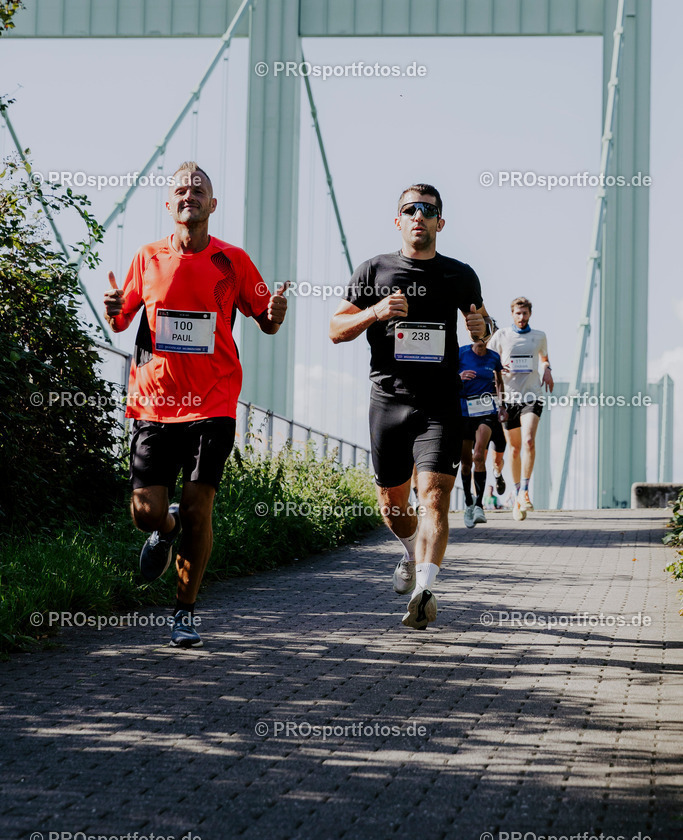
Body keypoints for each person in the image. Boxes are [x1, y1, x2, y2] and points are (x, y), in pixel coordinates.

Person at [103, 162, 288, 648]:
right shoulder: (147, 257)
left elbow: (267, 321)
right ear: (170, 205)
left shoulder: (234, 260)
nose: (190, 195)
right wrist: (112, 308)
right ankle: (164, 530)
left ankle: (183, 614)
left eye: (199, 190)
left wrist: (275, 312)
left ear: (212, 204)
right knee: (146, 511)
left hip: (214, 402)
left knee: (198, 507)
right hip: (154, 401)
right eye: (182, 190)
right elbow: (121, 320)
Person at [329, 184, 492, 630]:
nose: (419, 215)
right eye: (410, 209)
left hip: (439, 404)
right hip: (388, 401)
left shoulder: (460, 275)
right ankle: (409, 550)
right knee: (392, 505)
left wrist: (481, 328)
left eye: (428, 210)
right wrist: (376, 312)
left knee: (434, 496)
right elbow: (335, 329)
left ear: (441, 222)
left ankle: (424, 590)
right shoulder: (373, 270)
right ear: (398, 220)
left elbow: (483, 327)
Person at [488, 297, 553, 521]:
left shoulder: (539, 336)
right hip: (508, 400)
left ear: (530, 314)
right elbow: (489, 361)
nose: (522, 317)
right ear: (512, 314)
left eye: (525, 313)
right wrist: (498, 368)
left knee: (528, 441)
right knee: (514, 449)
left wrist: (547, 369)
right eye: (518, 313)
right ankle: (517, 494)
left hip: (531, 397)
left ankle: (525, 490)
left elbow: (544, 358)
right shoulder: (501, 336)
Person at [458, 340, 507, 527]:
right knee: (465, 463)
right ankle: (468, 503)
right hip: (464, 411)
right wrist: (458, 376)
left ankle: (479, 505)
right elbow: (446, 376)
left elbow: (499, 382)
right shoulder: (461, 353)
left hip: (486, 411)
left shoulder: (494, 357)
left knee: (479, 455)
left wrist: (502, 405)